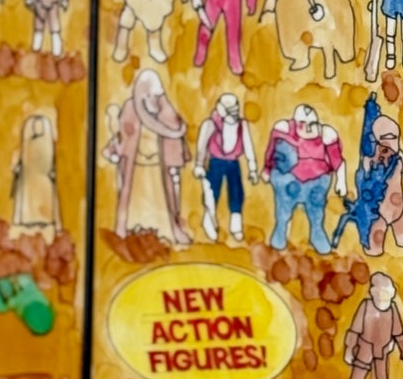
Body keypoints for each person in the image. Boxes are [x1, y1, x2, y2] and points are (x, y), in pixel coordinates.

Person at [332, 100, 403, 254]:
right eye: (387, 139)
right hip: (379, 208)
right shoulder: (370, 160)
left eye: (394, 138)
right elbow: (364, 179)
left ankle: (402, 237)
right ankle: (374, 246)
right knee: (377, 236)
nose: (391, 144)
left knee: (400, 226)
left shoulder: (398, 157)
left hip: (398, 204)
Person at [104, 69, 188, 241]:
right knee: (135, 198)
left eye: (155, 96)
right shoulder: (131, 107)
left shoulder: (165, 111)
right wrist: (118, 150)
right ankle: (131, 229)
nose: (152, 99)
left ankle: (163, 231)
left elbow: (174, 134)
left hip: (157, 168)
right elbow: (124, 135)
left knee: (160, 199)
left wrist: (174, 161)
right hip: (136, 167)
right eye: (149, 95)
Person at [264, 103, 345, 254]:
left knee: (316, 211)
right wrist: (267, 169)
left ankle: (317, 234)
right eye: (303, 124)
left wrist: (341, 181)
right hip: (290, 179)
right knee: (284, 208)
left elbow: (337, 161)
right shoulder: (283, 130)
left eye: (312, 124)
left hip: (316, 181)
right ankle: (280, 231)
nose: (308, 128)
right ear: (295, 123)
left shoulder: (326, 135)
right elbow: (271, 151)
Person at [194, 93, 258, 244]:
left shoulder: (242, 125)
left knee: (236, 193)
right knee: (211, 193)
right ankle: (209, 220)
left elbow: (248, 145)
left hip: (233, 163)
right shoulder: (211, 124)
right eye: (230, 111)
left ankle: (236, 226)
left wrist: (253, 168)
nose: (233, 115)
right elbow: (202, 145)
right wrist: (199, 164)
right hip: (216, 162)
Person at [11, 112, 61, 234]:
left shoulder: (48, 143)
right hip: (29, 179)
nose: (38, 129)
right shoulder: (27, 143)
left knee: (45, 199)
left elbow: (52, 161)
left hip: (44, 179)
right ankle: (28, 219)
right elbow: (22, 159)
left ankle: (45, 220)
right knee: (29, 198)